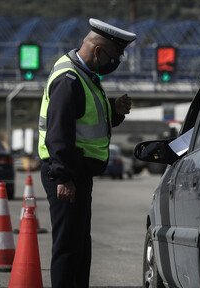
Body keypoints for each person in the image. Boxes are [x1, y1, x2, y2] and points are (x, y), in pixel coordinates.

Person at [38, 18, 136, 288]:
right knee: (68, 248)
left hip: (77, 173)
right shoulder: (69, 80)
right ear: (98, 52)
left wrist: (114, 111)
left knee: (80, 246)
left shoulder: (86, 78)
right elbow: (58, 134)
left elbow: (88, 123)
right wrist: (64, 178)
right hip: (66, 174)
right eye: (115, 55)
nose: (115, 62)